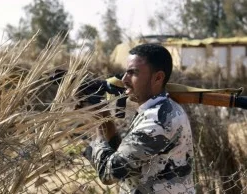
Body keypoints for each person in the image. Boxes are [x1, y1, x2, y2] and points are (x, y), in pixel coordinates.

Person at [83, 43, 195, 194]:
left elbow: (108, 173)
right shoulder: (156, 110)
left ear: (158, 78)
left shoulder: (158, 120)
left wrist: (96, 120)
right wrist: (103, 114)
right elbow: (123, 155)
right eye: (125, 72)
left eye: (133, 73)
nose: (124, 79)